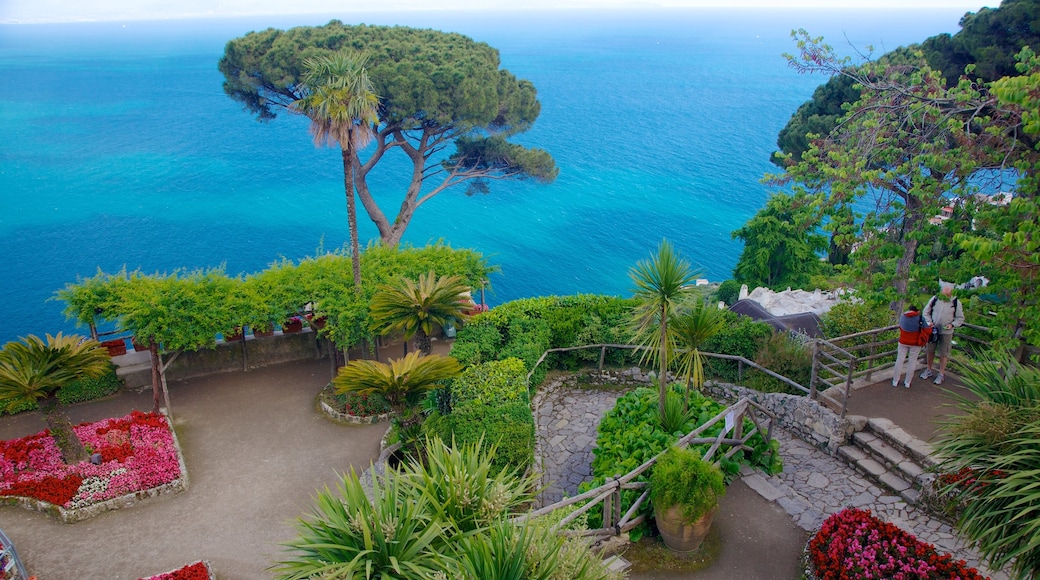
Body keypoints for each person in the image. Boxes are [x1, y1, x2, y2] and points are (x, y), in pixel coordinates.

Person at [920, 282, 965, 385]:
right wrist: (929, 322)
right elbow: (926, 312)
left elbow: (960, 318)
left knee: (943, 353)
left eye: (946, 294)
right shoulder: (935, 299)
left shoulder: (956, 302)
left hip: (946, 332)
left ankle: (941, 374)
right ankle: (928, 369)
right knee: (930, 350)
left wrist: (952, 324)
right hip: (933, 330)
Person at [892, 304, 924, 388]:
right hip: (915, 343)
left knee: (899, 360)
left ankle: (895, 380)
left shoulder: (903, 317)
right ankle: (907, 382)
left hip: (903, 341)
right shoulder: (920, 318)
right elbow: (926, 328)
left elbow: (901, 326)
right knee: (912, 362)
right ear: (917, 311)